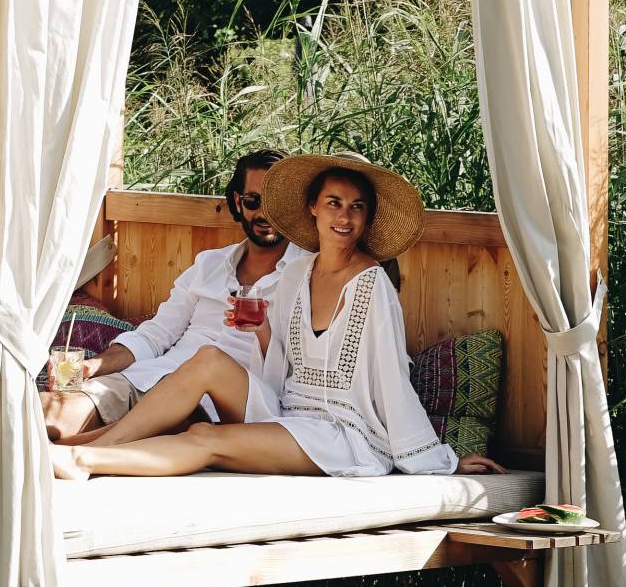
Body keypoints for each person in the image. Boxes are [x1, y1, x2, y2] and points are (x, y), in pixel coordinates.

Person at [55, 151, 499, 479]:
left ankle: (83, 459)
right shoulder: (297, 272)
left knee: (205, 440)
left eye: (356, 207)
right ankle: (77, 450)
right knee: (208, 358)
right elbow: (281, 361)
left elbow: (391, 378)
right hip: (285, 408)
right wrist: (264, 330)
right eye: (333, 203)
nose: (344, 217)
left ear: (367, 218)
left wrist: (440, 459)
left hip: (339, 432)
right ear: (312, 208)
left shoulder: (372, 285)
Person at [44, 147, 299, 443]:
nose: (264, 213)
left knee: (179, 416)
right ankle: (63, 451)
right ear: (238, 204)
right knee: (47, 412)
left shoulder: (305, 276)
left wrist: (263, 332)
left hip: (215, 411)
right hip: (150, 379)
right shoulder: (209, 265)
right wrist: (92, 366)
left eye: (276, 202)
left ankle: (75, 450)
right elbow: (155, 335)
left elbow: (295, 370)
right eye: (253, 201)